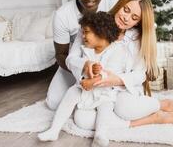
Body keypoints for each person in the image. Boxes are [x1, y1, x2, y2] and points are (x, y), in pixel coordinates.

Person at [66, 0, 173, 143]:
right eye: (126, 10)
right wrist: (85, 64)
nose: (126, 18)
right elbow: (71, 59)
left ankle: (163, 104)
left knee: (124, 109)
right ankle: (153, 118)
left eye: (134, 17)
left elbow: (140, 74)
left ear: (138, 23)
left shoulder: (136, 38)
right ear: (120, 4)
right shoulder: (95, 22)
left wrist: (117, 80)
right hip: (94, 89)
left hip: (120, 90)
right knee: (82, 121)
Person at [39, 12, 136, 146]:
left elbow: (112, 74)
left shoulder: (118, 50)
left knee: (105, 107)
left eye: (86, 32)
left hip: (106, 91)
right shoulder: (87, 50)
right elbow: (81, 68)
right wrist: (89, 73)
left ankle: (100, 135)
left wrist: (95, 78)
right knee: (72, 92)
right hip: (86, 89)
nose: (83, 36)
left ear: (101, 33)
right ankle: (54, 130)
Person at [46, 0, 118, 110]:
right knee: (53, 103)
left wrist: (101, 73)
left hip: (107, 62)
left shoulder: (113, 3)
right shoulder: (62, 15)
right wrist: (82, 70)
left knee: (110, 99)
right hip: (75, 62)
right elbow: (61, 54)